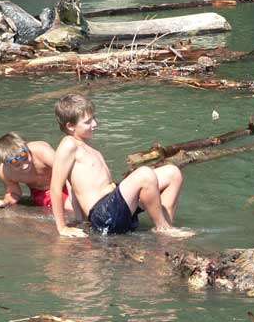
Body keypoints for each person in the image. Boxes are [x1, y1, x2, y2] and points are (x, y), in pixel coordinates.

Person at [50, 94, 192, 238]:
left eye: (94, 118)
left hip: (114, 205)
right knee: (144, 174)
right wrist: (62, 227)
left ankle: (165, 224)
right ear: (70, 126)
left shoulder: (89, 148)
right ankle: (163, 228)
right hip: (104, 216)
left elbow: (74, 188)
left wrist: (80, 220)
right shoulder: (69, 144)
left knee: (172, 173)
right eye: (88, 122)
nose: (95, 124)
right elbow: (55, 187)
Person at [0, 132, 73, 210]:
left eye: (25, 158)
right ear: (7, 164)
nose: (25, 165)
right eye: (17, 165)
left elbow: (68, 171)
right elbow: (14, 193)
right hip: (43, 192)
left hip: (67, 181)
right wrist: (4, 202)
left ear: (27, 149)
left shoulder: (42, 151)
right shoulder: (5, 172)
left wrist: (73, 193)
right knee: (71, 207)